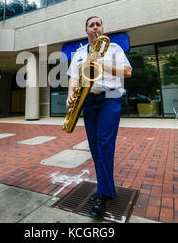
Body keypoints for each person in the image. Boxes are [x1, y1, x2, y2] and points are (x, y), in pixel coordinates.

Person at [66, 16, 132, 219]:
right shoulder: (78, 53)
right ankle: (107, 189)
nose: (95, 27)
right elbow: (74, 77)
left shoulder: (114, 49)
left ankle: (102, 195)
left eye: (98, 24)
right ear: (86, 30)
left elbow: (127, 72)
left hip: (110, 96)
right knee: (95, 145)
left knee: (104, 143)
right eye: (91, 25)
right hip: (88, 100)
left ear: (102, 28)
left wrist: (103, 64)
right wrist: (71, 93)